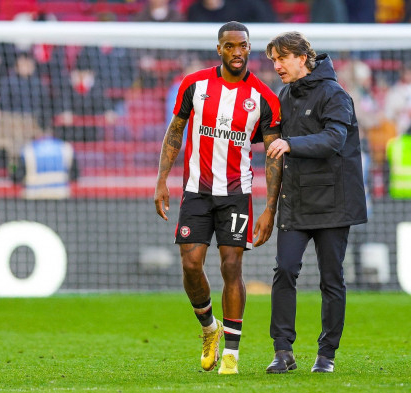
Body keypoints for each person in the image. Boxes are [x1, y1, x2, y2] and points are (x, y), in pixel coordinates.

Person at [153, 21, 282, 375]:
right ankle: (209, 328)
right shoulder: (194, 85)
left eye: (243, 46)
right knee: (191, 265)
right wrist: (161, 179)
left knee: (232, 267)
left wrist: (270, 207)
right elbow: (175, 130)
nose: (237, 52)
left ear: (249, 49)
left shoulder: (264, 99)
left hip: (236, 195)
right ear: (219, 49)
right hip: (195, 191)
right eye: (230, 46)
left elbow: (274, 156)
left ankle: (232, 354)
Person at [264, 31, 367, 373]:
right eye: (273, 60)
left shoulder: (335, 94)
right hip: (296, 201)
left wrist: (290, 144)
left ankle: (326, 355)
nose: (276, 65)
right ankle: (283, 351)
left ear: (302, 57)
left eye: (281, 58)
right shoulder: (284, 94)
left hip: (334, 202)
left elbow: (334, 139)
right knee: (285, 271)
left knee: (331, 278)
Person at [11, 133, 78, 199]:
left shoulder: (28, 149)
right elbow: (75, 175)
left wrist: (11, 165)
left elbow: (16, 177)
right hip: (61, 195)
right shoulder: (66, 147)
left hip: (34, 197)